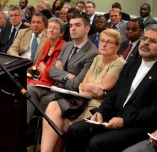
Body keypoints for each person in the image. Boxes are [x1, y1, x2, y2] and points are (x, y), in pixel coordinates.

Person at [66, 24, 157, 152]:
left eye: (153, 41)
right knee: (75, 130)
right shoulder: (131, 66)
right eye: (144, 38)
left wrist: (125, 121)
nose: (146, 43)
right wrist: (101, 112)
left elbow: (154, 110)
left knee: (97, 142)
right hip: (114, 115)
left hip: (138, 124)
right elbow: (114, 94)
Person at [41, 29, 125, 152]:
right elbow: (82, 84)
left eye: (108, 42)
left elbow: (104, 89)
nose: (104, 44)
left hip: (99, 107)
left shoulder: (119, 63)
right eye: (101, 40)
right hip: (82, 99)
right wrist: (91, 87)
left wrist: (86, 88)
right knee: (53, 107)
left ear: (117, 46)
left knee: (58, 122)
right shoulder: (98, 58)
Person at [26, 17, 66, 124]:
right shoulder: (47, 43)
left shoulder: (64, 47)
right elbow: (39, 64)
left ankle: (23, 126)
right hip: (41, 81)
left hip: (52, 85)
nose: (51, 30)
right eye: (49, 27)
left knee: (28, 89)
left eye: (55, 28)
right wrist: (34, 69)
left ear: (61, 33)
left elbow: (54, 73)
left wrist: (44, 69)